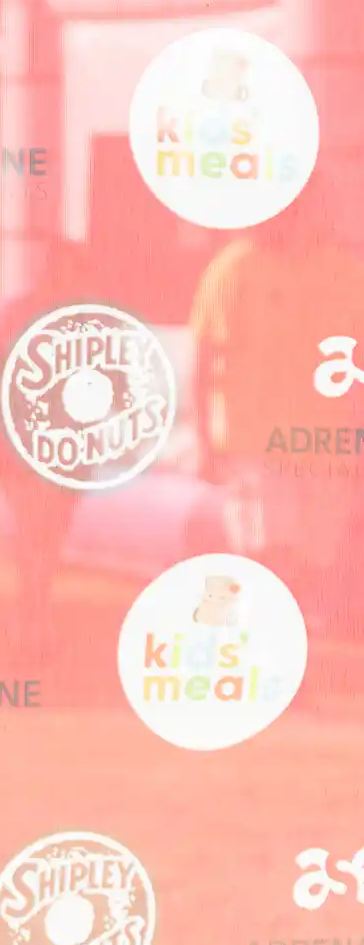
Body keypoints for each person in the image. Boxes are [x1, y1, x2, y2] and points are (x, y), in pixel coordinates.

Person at [188, 178, 364, 631]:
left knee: (311, 562)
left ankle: (280, 648)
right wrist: (205, 444)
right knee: (271, 555)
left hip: (328, 448)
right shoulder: (235, 269)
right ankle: (277, 661)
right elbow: (202, 362)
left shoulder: (347, 273)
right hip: (256, 446)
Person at [0, 237, 96, 665]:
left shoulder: (79, 321)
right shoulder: (19, 316)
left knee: (46, 535)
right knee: (36, 534)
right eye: (74, 270)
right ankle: (32, 621)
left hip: (57, 446)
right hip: (21, 443)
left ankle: (33, 615)